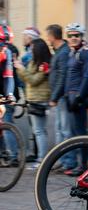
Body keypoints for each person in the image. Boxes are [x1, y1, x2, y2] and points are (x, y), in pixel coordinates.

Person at [63, 23, 88, 176]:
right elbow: (69, 75)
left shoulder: (87, 52)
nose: (73, 38)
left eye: (76, 35)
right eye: (70, 35)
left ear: (81, 36)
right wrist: (65, 95)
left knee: (80, 132)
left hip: (79, 96)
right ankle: (84, 161)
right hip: (70, 96)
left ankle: (83, 165)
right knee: (75, 132)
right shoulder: (72, 52)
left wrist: (79, 96)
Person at [15, 38, 51, 169]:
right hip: (35, 98)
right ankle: (44, 158)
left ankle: (42, 160)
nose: (30, 49)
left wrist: (20, 68)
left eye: (32, 47)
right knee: (40, 131)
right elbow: (27, 77)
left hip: (38, 100)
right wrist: (22, 70)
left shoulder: (43, 65)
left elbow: (32, 80)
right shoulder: (36, 62)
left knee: (39, 131)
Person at [46, 24, 76, 171]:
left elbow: (63, 76)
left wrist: (55, 96)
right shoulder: (59, 51)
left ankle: (69, 162)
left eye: (48, 36)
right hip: (60, 97)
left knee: (65, 130)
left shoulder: (63, 52)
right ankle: (63, 160)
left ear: (52, 36)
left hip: (62, 96)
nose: (47, 39)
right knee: (60, 130)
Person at [0, 25, 18, 166]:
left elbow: (9, 76)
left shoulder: (6, 53)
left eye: (4, 42)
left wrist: (10, 94)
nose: (2, 46)